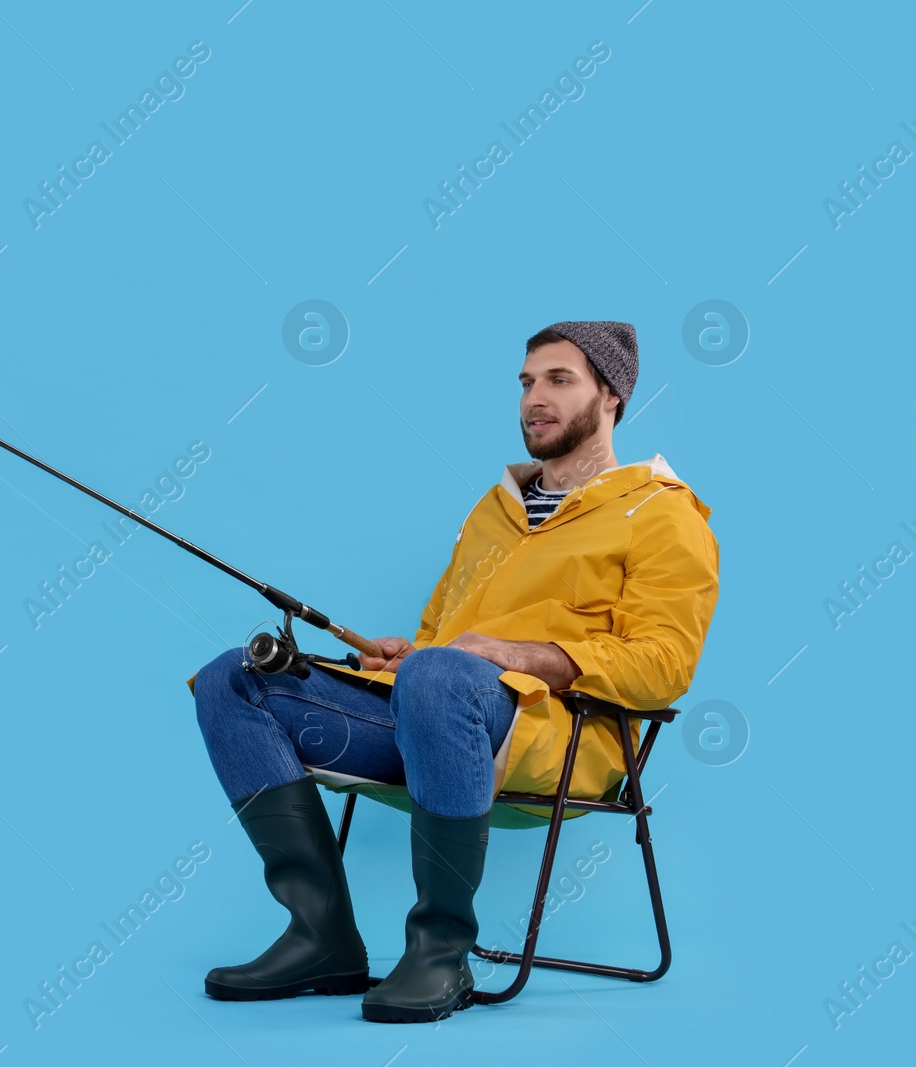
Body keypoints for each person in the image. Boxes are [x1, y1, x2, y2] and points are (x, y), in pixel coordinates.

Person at [188, 320, 719, 1023]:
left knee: (440, 677)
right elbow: (444, 640)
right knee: (235, 678)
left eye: (560, 380)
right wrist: (405, 658)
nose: (536, 396)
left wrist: (510, 656)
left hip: (551, 740)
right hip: (437, 721)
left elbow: (664, 664)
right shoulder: (493, 511)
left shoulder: (663, 515)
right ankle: (321, 935)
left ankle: (440, 951)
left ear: (612, 395)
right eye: (527, 382)